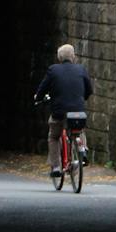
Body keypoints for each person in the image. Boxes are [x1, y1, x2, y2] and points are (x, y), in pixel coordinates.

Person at [33, 43, 94, 177]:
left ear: (59, 58)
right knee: (79, 129)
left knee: (54, 136)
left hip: (59, 112)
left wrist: (38, 97)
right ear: (73, 57)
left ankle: (55, 166)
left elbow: (43, 89)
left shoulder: (53, 70)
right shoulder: (81, 69)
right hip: (77, 110)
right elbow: (89, 90)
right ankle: (82, 149)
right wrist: (81, 98)